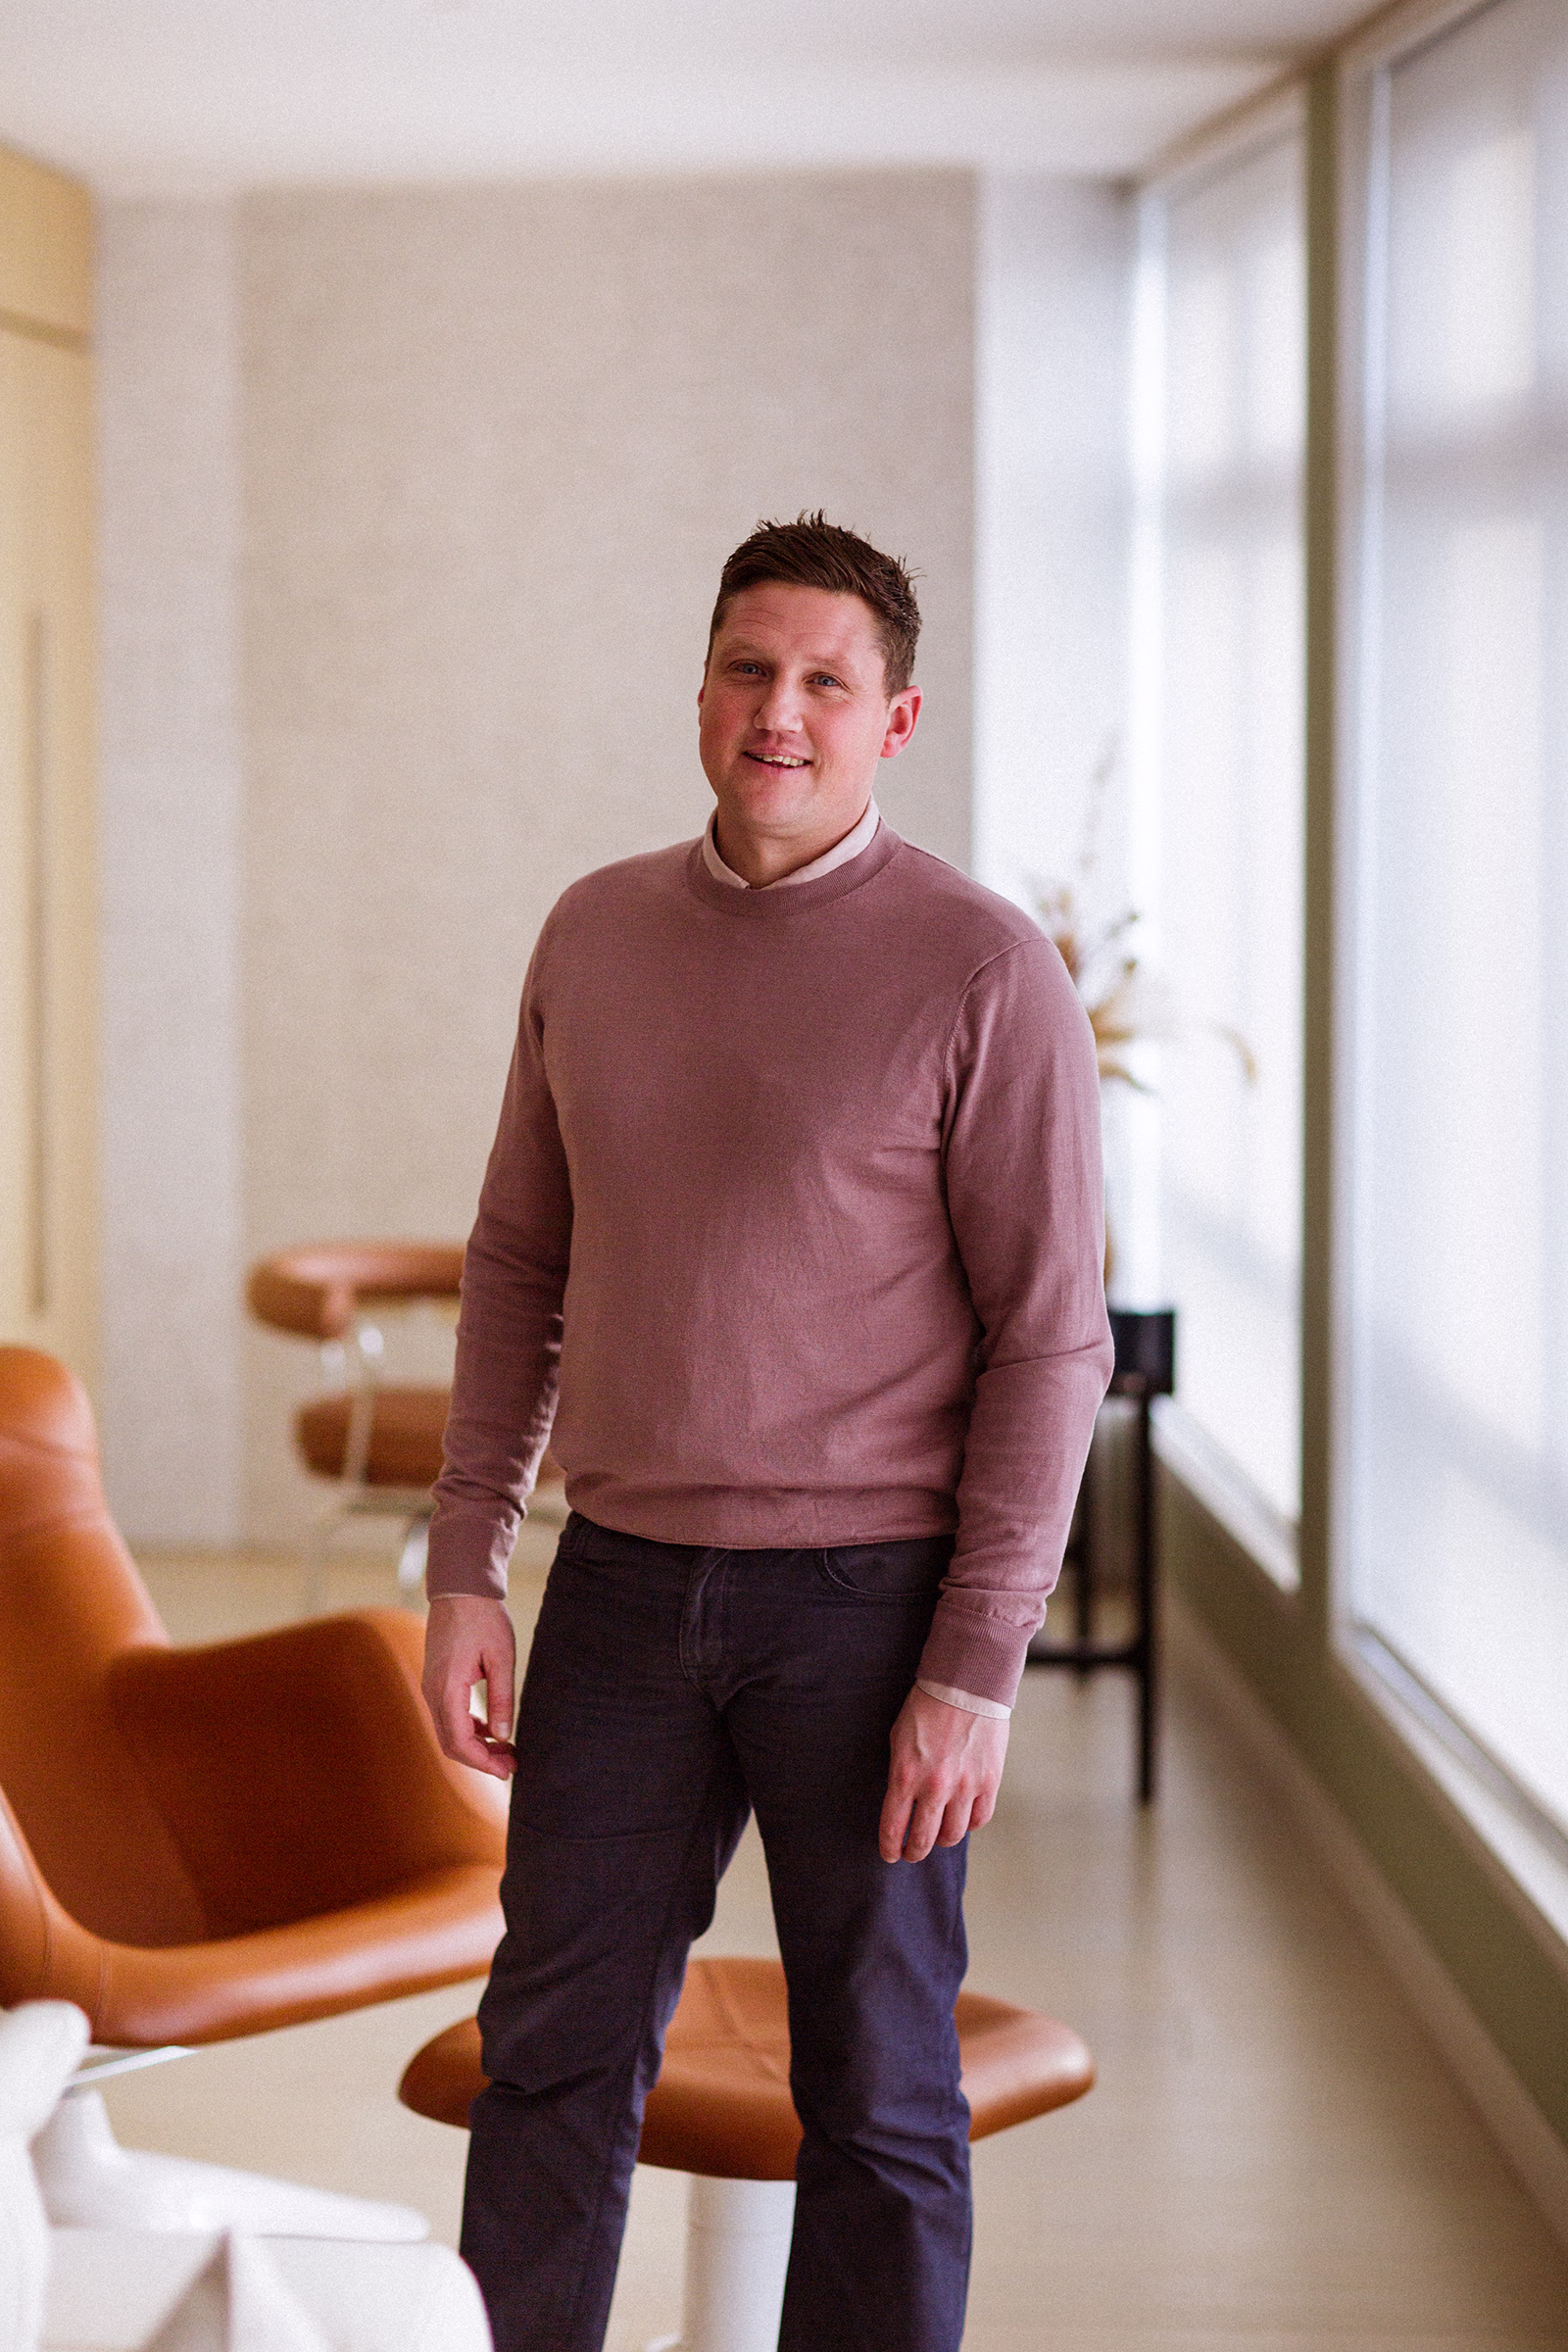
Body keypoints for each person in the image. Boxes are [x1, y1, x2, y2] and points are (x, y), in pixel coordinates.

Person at [420, 513, 1113, 2352]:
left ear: (898, 719)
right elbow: (518, 1262)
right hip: (622, 1593)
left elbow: (1053, 1341)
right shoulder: (594, 930)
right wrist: (467, 1565)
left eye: (825, 680)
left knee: (878, 2091)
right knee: (550, 2057)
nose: (778, 712)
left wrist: (974, 1666)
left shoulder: (986, 970)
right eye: (748, 668)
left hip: (868, 1614)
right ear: (702, 687)